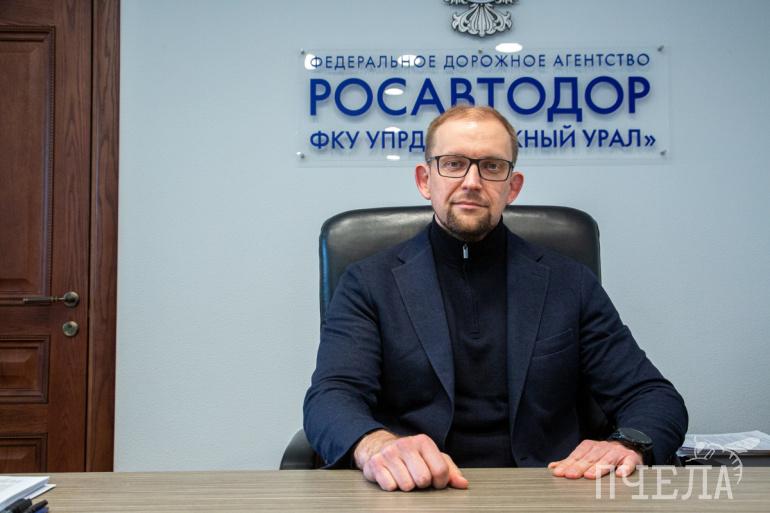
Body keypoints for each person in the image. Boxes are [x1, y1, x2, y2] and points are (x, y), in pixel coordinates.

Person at [303, 105, 688, 492]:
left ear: (512, 187)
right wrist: (375, 445)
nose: (471, 182)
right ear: (425, 180)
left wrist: (628, 444)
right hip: (416, 490)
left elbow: (652, 395)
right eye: (453, 164)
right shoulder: (368, 283)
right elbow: (331, 396)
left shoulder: (569, 282)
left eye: (491, 166)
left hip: (551, 488)